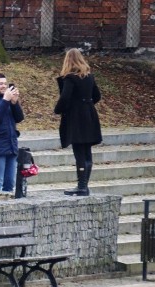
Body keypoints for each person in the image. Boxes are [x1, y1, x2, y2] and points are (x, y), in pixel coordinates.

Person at [54, 48, 102, 197]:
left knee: (79, 152)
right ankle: (84, 185)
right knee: (87, 152)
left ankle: (81, 186)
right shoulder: (89, 77)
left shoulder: (70, 78)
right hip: (89, 115)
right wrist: (86, 103)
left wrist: (58, 109)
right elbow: (97, 96)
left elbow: (65, 97)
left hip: (76, 117)